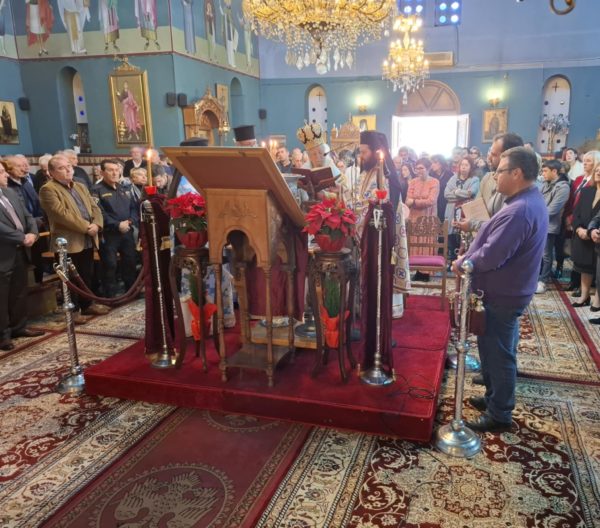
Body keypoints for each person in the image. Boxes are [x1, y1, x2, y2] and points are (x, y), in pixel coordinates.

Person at [453, 146, 548, 432]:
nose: (494, 177)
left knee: (499, 353)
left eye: (499, 171)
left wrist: (463, 262)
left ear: (517, 173)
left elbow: (492, 255)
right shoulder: (525, 200)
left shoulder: (520, 210)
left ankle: (500, 414)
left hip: (504, 292)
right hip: (509, 289)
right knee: (495, 347)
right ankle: (494, 397)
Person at [39, 155, 109, 322]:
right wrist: (87, 227)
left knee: (86, 273)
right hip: (67, 241)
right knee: (69, 278)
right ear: (51, 172)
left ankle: (87, 304)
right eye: (61, 168)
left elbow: (94, 207)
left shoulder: (80, 186)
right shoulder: (48, 189)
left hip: (87, 237)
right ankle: (73, 310)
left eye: (69, 166)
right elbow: (61, 214)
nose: (68, 170)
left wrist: (97, 225)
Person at [0, 162, 44, 351]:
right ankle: (3, 335)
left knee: (19, 291)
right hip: (4, 252)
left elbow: (28, 216)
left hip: (21, 251)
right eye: (1, 172)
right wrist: (21, 237)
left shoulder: (10, 192)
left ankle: (19, 327)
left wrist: (32, 233)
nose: (5, 175)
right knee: (2, 296)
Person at [92, 159, 139, 298]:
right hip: (109, 234)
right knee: (110, 265)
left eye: (117, 170)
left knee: (130, 262)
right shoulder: (96, 190)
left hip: (127, 231)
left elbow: (134, 208)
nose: (114, 173)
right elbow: (99, 212)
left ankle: (131, 292)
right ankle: (110, 296)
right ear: (102, 172)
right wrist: (117, 225)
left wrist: (130, 221)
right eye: (110, 170)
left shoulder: (124, 188)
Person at [536, 159, 570, 294]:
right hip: (538, 223)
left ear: (554, 171)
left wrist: (535, 212)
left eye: (545, 171)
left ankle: (543, 281)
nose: (542, 174)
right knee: (537, 253)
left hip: (550, 225)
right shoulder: (546, 184)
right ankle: (536, 277)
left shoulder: (563, 187)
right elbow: (536, 200)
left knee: (546, 255)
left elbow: (553, 209)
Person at [444, 157, 480, 263]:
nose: (463, 167)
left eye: (466, 165)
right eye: (462, 165)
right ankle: (451, 260)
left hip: (466, 211)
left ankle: (462, 261)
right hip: (451, 210)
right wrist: (463, 194)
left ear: (471, 167)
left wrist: (456, 191)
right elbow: (446, 194)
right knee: (451, 234)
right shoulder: (453, 178)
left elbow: (471, 193)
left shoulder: (474, 179)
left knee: (464, 236)